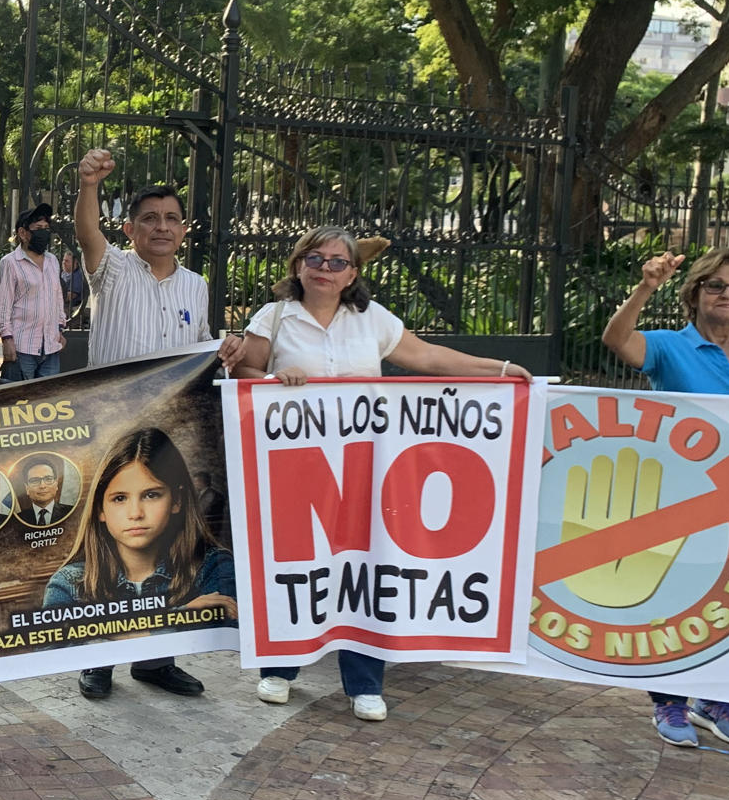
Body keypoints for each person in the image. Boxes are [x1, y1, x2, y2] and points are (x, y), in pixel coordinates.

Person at [220, 225, 532, 722]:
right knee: (302, 563)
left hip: (367, 469)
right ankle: (280, 668)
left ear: (353, 274)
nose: (325, 269)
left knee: (367, 566)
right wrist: (277, 379)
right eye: (315, 259)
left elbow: (428, 356)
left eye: (337, 262)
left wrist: (499, 369)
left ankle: (365, 682)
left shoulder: (371, 320)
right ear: (299, 265)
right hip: (301, 470)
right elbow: (243, 377)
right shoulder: (274, 317)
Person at [601, 248, 729, 748]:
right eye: (716, 285)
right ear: (694, 294)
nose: (728, 295)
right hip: (678, 499)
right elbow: (616, 340)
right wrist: (645, 286)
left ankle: (718, 698)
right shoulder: (668, 346)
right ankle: (669, 703)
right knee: (676, 597)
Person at [41, 428, 236, 654]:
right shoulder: (68, 584)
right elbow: (54, 660)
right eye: (120, 498)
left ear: (177, 501)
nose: (135, 513)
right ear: (100, 509)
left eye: (151, 495)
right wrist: (179, 620)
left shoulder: (213, 566)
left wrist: (104, 631)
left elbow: (229, 647)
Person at [75, 150, 211, 364]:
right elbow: (88, 234)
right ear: (130, 230)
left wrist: (226, 350)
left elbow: (202, 345)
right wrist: (89, 184)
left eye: (172, 218)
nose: (163, 227)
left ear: (183, 231)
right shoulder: (113, 267)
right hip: (115, 397)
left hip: (174, 397)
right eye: (150, 218)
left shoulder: (195, 285)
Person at [0, 203, 66, 380]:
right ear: (23, 233)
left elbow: (57, 297)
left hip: (50, 345)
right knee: (20, 403)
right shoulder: (10, 263)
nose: (44, 233)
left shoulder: (52, 261)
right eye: (38, 228)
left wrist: (60, 328)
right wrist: (6, 339)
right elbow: (3, 304)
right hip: (22, 347)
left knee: (47, 403)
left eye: (46, 228)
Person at [15, 455, 74, 527]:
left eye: (48, 479)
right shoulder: (17, 519)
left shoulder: (72, 512)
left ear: (56, 484)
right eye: (35, 481)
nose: (42, 486)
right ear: (27, 488)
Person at [60, 250, 88, 318]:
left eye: (67, 261)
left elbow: (71, 295)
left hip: (73, 307)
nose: (63, 263)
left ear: (75, 263)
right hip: (62, 304)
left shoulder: (78, 275)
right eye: (63, 260)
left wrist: (54, 297)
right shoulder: (63, 274)